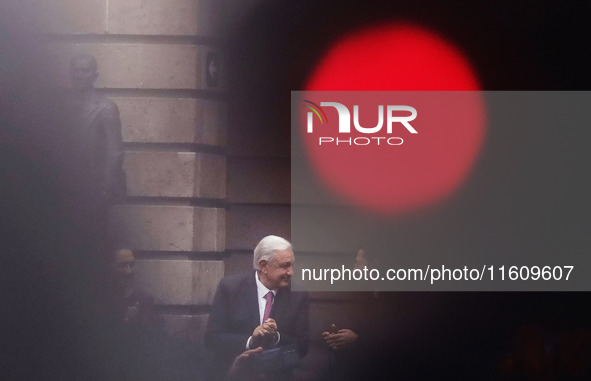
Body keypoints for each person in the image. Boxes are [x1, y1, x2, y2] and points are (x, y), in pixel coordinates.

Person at [206, 235, 309, 379]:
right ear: (263, 266)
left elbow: (302, 347)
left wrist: (275, 337)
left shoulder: (298, 296)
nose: (290, 272)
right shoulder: (230, 288)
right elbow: (212, 338)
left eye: (291, 265)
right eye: (284, 266)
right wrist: (250, 341)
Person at [112, 248, 158, 328]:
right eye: (122, 265)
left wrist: (136, 323)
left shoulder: (145, 300)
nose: (129, 271)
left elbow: (150, 335)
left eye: (131, 265)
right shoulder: (100, 302)